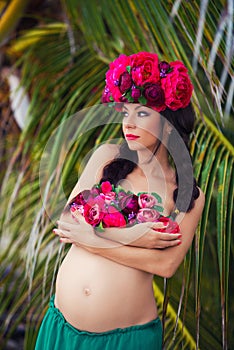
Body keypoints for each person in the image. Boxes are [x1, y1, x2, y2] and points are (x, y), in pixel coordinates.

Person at [35, 52, 205, 349]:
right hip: (61, 325)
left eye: (141, 113)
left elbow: (165, 266)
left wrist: (88, 236)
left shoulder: (189, 194)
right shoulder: (106, 156)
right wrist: (139, 239)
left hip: (126, 339)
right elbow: (66, 221)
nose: (128, 122)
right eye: (125, 112)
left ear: (167, 123)